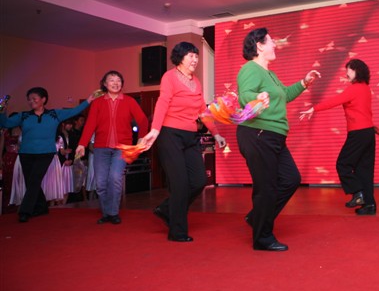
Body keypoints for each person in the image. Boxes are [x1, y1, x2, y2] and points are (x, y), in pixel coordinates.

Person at [236, 27, 321, 251]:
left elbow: (284, 95)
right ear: (259, 45)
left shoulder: (270, 74)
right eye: (271, 41)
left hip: (275, 135)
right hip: (258, 133)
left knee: (291, 178)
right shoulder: (250, 68)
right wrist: (257, 96)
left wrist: (304, 83)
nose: (275, 44)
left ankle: (257, 217)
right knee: (266, 187)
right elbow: (244, 95)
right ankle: (262, 238)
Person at [140, 42, 226, 242]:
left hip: (190, 136)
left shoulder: (196, 81)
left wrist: (216, 133)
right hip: (170, 134)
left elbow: (202, 110)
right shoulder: (169, 77)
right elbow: (162, 103)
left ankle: (166, 209)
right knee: (180, 184)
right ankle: (177, 231)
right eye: (191, 55)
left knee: (199, 181)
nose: (195, 59)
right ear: (180, 57)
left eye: (196, 56)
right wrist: (155, 130)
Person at [0, 87, 96, 222]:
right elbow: (5, 123)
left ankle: (25, 211)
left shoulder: (54, 114)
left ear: (43, 99)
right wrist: (2, 110)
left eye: (34, 99)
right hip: (26, 154)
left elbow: (74, 111)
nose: (31, 101)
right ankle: (42, 207)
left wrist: (89, 100)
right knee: (31, 182)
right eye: (29, 99)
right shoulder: (24, 116)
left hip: (45, 154)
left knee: (34, 180)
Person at [300, 59, 378, 215]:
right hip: (368, 132)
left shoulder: (354, 89)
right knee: (364, 170)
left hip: (358, 133)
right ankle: (369, 205)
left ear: (356, 71)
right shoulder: (366, 88)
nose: (346, 73)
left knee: (343, 164)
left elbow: (334, 101)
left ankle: (358, 194)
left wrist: (314, 109)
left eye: (348, 70)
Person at [75, 71, 149, 225]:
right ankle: (106, 212)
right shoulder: (97, 102)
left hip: (122, 148)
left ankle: (113, 213)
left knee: (115, 178)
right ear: (104, 84)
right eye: (111, 80)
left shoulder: (129, 101)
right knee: (101, 183)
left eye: (118, 80)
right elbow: (90, 124)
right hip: (101, 148)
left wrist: (141, 138)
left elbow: (143, 120)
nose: (115, 83)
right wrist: (82, 144)